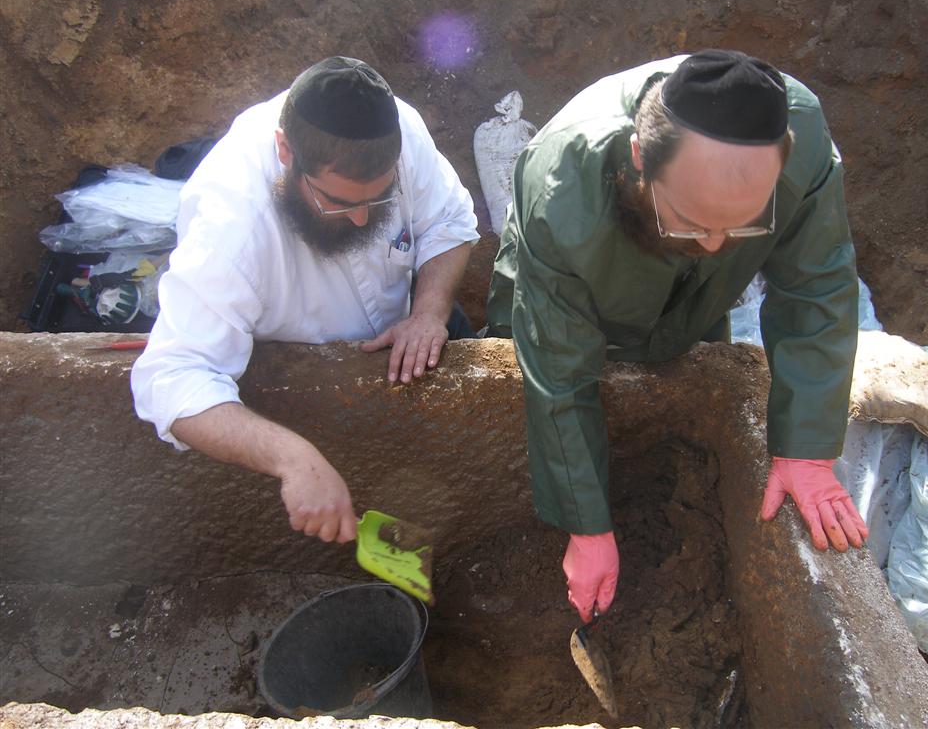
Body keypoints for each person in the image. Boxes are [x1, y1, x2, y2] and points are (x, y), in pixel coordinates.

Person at [486, 50, 869, 623]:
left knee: (682, 356)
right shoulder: (564, 184)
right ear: (640, 158)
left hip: (692, 299)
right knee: (528, 397)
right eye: (692, 221)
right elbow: (558, 369)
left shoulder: (802, 141)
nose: (714, 243)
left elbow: (815, 286)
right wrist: (585, 527)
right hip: (565, 284)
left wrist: (806, 450)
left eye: (740, 223)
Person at [132, 57, 479, 546]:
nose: (362, 220)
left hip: (413, 328)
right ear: (285, 151)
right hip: (307, 385)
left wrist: (428, 314)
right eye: (339, 202)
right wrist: (292, 459)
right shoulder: (231, 230)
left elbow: (447, 220)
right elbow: (172, 377)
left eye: (378, 199)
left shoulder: (397, 130)